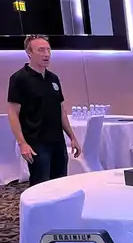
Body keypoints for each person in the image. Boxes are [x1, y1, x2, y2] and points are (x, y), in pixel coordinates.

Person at [7, 35, 81, 186]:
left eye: (48, 49)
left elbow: (60, 110)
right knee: (41, 185)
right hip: (36, 142)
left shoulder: (53, 78)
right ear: (29, 53)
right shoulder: (19, 79)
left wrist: (72, 137)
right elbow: (13, 113)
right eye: (41, 50)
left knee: (60, 183)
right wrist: (22, 143)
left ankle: (60, 210)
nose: (46, 54)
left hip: (57, 141)